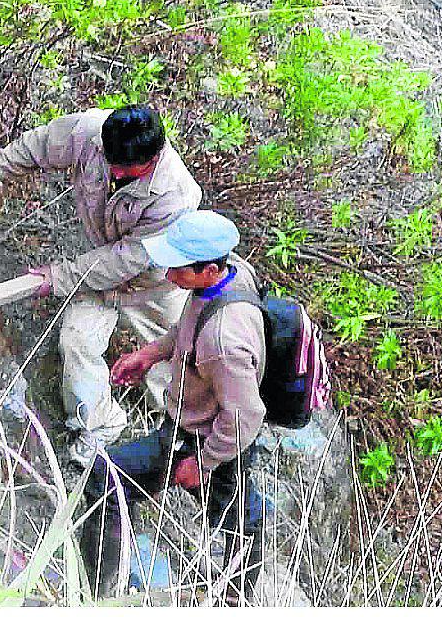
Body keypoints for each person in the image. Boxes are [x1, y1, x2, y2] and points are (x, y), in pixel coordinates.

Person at [0, 105, 201, 466]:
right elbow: (38, 146)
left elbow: (125, 261)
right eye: (110, 162)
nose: (114, 172)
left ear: (152, 158)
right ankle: (100, 423)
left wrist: (58, 277)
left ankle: (182, 431)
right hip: (102, 269)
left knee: (177, 352)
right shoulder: (90, 133)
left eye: (125, 170)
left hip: (157, 284)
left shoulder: (175, 197)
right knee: (77, 342)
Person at [79, 210, 268, 603]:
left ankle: (99, 594)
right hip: (192, 431)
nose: (168, 277)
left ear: (209, 270)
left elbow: (246, 415)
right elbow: (190, 326)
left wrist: (205, 463)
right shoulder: (232, 276)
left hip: (205, 441)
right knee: (239, 522)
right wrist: (151, 353)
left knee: (108, 479)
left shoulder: (224, 343)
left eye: (178, 269)